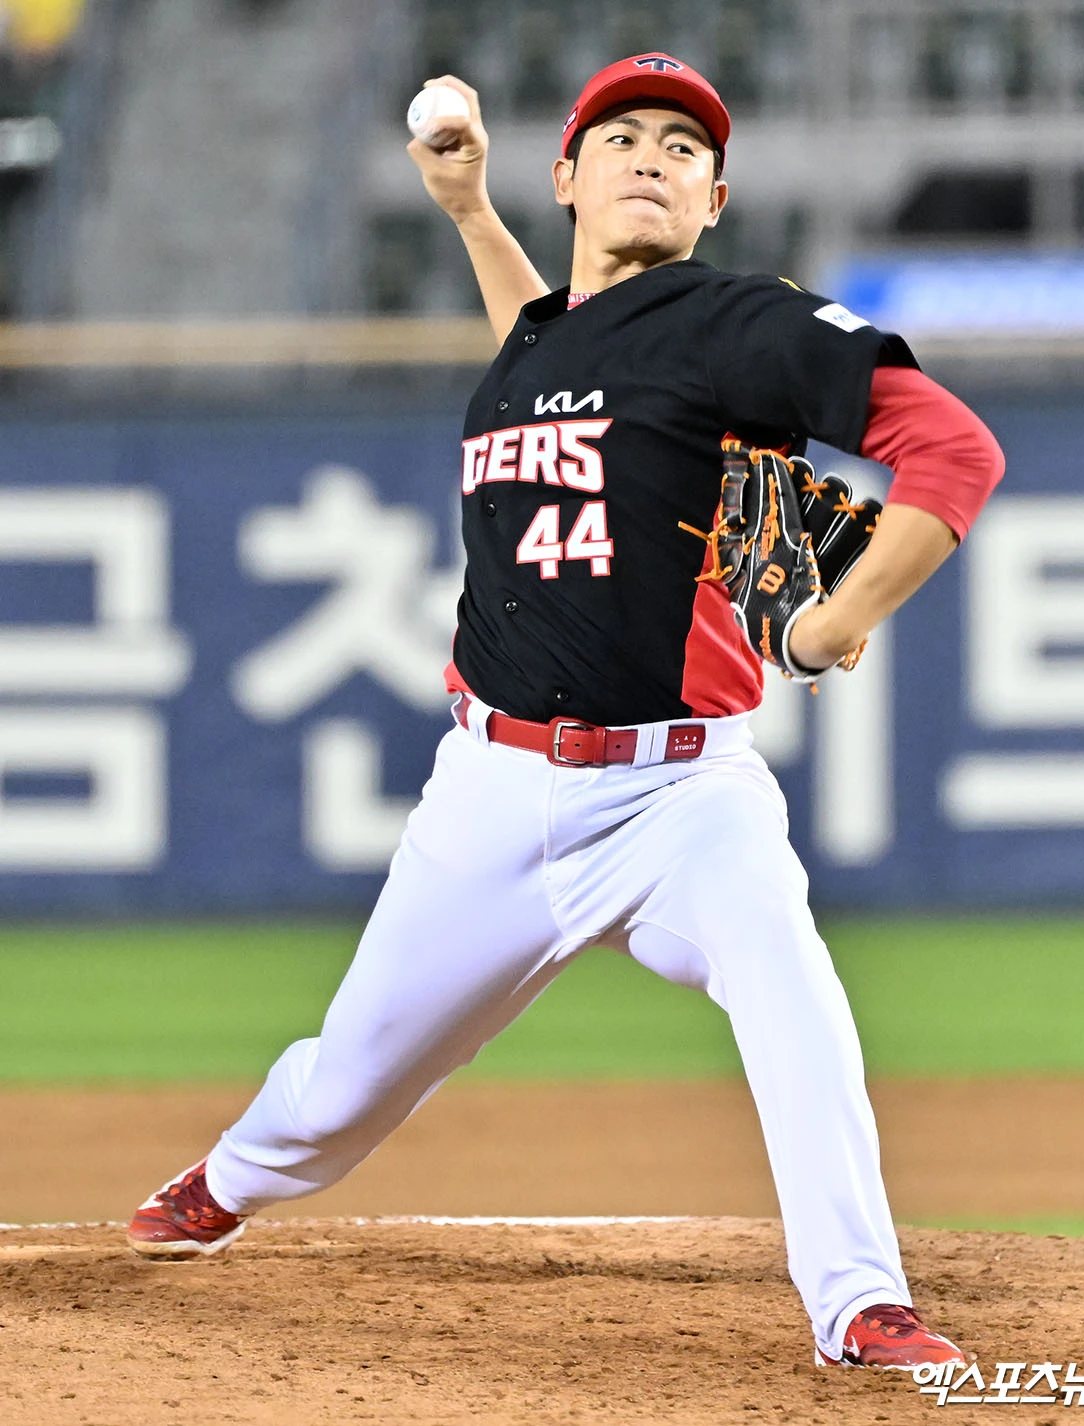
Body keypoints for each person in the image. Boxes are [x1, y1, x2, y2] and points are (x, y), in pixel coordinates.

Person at [128, 54, 1004, 1372]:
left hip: (682, 795)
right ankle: (234, 1176)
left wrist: (831, 625)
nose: (653, 156)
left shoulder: (733, 322)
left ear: (714, 200)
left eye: (683, 147)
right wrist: (470, 212)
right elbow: (548, 346)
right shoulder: (543, 344)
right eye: (622, 136)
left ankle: (859, 1300)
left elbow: (956, 450)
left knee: (794, 992)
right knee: (351, 1079)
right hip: (490, 790)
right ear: (569, 178)